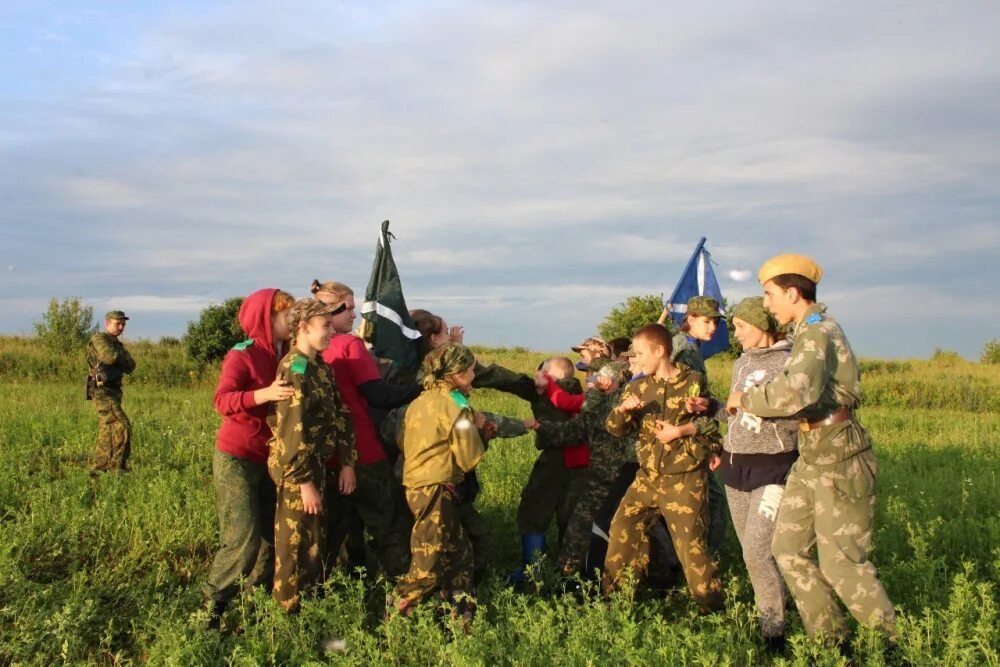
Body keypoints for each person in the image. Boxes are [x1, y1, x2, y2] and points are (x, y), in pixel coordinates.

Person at [727, 254, 896, 648]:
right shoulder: (806, 333)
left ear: (791, 292)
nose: (766, 304)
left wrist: (745, 398)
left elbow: (794, 392)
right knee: (786, 550)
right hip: (812, 452)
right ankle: (831, 643)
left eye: (769, 295)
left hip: (840, 453)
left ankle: (890, 648)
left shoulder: (818, 332)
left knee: (841, 563)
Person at [690, 296, 798, 651]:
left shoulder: (789, 360)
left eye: (739, 326)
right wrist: (715, 407)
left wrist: (747, 402)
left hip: (773, 468)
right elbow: (735, 414)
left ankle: (774, 635)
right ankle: (777, 613)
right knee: (754, 551)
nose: (734, 334)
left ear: (761, 325)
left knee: (757, 552)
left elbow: (795, 414)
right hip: (736, 467)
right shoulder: (741, 362)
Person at [603, 323, 724, 613]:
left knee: (691, 548)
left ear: (660, 351)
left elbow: (712, 426)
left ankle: (712, 609)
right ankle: (616, 602)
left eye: (641, 352)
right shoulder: (637, 387)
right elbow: (615, 430)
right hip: (647, 477)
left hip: (683, 478)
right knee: (623, 530)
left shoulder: (692, 381)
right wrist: (622, 412)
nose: (637, 358)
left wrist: (681, 430)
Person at [312, 280, 420, 577]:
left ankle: (339, 584)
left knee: (337, 530)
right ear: (329, 310)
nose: (354, 314)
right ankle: (401, 590)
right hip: (362, 450)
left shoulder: (306, 351)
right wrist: (421, 390)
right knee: (388, 525)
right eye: (348, 308)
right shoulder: (349, 345)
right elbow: (378, 395)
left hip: (327, 457)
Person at [202, 288, 295, 627]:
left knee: (272, 537)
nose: (293, 320)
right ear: (266, 319)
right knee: (243, 538)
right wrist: (265, 394)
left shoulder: (289, 355)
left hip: (271, 459)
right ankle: (211, 610)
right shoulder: (242, 355)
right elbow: (222, 401)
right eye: (287, 315)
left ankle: (254, 609)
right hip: (237, 457)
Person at [268, 299, 356, 613]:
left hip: (318, 467)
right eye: (326, 326)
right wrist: (304, 482)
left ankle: (309, 611)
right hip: (298, 474)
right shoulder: (295, 368)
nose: (332, 331)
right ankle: (286, 620)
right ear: (304, 328)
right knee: (294, 549)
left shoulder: (320, 366)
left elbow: (341, 413)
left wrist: (347, 462)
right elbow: (292, 431)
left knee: (314, 545)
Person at [389, 344, 485, 622]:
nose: (474, 376)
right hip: (437, 489)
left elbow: (401, 439)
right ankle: (394, 618)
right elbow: (469, 458)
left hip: (418, 485)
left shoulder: (420, 401)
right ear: (455, 374)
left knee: (460, 556)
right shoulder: (458, 407)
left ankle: (459, 620)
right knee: (427, 566)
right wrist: (479, 429)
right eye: (470, 371)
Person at [533, 359, 633, 577]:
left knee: (624, 536)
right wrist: (540, 428)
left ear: (614, 382)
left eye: (598, 379)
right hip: (598, 481)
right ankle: (575, 580)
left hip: (624, 483)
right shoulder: (597, 406)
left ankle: (622, 582)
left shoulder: (629, 404)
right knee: (579, 531)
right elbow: (572, 431)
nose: (591, 382)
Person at [86, 310, 136, 472]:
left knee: (107, 429)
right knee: (122, 425)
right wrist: (119, 357)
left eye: (123, 324)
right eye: (117, 323)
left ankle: (100, 467)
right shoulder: (99, 338)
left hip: (113, 392)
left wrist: (119, 356)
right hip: (102, 391)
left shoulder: (116, 344)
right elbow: (108, 357)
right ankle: (117, 467)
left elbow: (131, 366)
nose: (121, 327)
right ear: (107, 323)